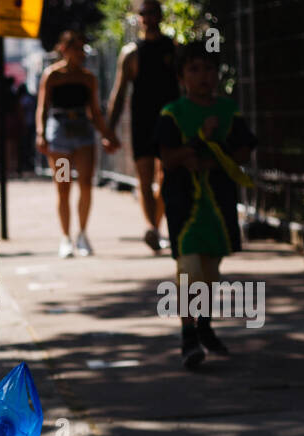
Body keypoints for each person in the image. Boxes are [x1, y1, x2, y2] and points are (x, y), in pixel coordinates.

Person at [157, 42, 257, 370]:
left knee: (211, 274)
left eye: (209, 69)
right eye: (194, 70)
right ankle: (188, 337)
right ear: (182, 76)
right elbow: (168, 159)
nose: (203, 76)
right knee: (190, 271)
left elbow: (244, 150)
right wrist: (197, 142)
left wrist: (219, 150)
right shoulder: (172, 113)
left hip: (218, 206)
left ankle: (204, 326)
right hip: (184, 205)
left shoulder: (229, 111)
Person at [106, 0, 181, 252]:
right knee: (145, 178)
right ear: (138, 18)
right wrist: (109, 130)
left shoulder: (174, 48)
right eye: (144, 13)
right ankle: (152, 227)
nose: (148, 17)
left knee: (166, 176)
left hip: (170, 122)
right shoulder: (131, 52)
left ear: (160, 15)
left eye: (153, 12)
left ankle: (156, 227)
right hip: (142, 121)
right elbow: (117, 95)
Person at [36, 31, 115, 258]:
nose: (81, 53)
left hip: (83, 132)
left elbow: (95, 112)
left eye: (82, 48)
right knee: (63, 187)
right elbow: (42, 107)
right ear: (64, 49)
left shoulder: (88, 77)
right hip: (59, 134)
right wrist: (41, 134)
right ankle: (65, 238)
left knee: (86, 184)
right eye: (76, 48)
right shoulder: (52, 75)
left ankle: (82, 234)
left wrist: (107, 134)